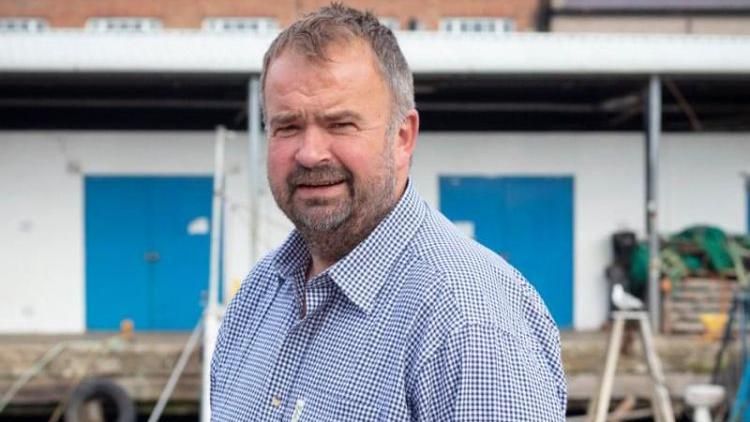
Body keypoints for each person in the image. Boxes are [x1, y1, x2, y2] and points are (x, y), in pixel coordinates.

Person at [211, 4, 567, 421]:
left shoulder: (469, 322)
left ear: (402, 137)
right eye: (287, 126)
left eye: (340, 124)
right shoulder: (259, 296)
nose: (309, 153)